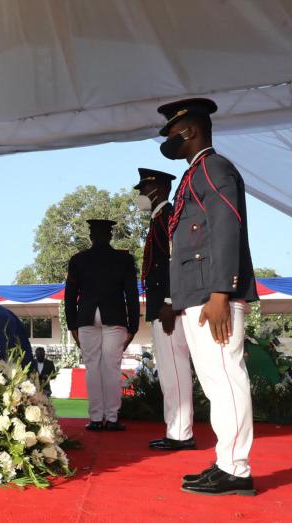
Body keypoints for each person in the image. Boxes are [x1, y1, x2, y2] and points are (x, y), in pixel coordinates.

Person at [157, 98, 258, 496]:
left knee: (227, 378)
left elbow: (225, 228)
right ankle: (226, 461)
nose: (167, 140)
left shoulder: (214, 168)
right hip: (197, 294)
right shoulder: (193, 174)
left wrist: (221, 291)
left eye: (171, 133)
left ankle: (236, 468)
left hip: (213, 294)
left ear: (191, 131)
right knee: (216, 382)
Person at [134, 167, 196, 451]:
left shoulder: (168, 217)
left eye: (143, 191)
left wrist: (171, 301)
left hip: (168, 306)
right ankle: (175, 429)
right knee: (169, 370)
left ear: (157, 190)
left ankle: (181, 433)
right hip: (161, 304)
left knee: (175, 368)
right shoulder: (158, 218)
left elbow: (175, 262)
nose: (140, 196)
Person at [64, 219, 140, 432]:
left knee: (92, 367)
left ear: (91, 236)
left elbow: (70, 296)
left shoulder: (78, 260)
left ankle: (96, 418)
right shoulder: (124, 260)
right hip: (114, 315)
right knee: (112, 368)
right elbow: (131, 295)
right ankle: (112, 418)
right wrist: (133, 326)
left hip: (87, 316)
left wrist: (72, 326)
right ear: (110, 236)